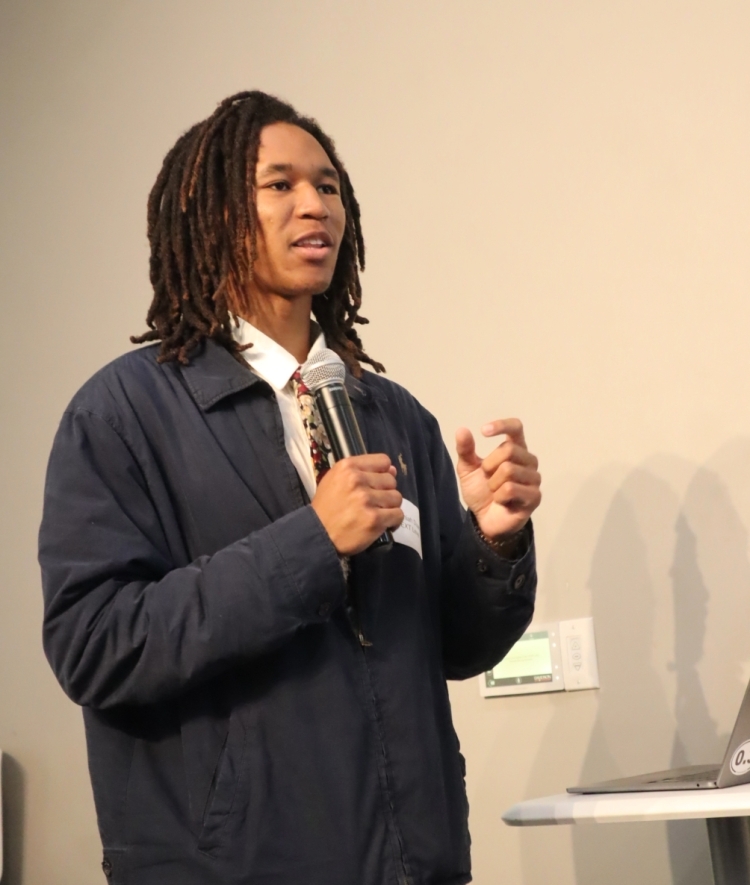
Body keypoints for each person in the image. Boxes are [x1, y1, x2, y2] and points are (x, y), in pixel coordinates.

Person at [39, 91, 542, 885]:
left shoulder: (394, 415)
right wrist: (312, 541)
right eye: (280, 184)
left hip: (412, 862)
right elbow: (96, 646)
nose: (316, 203)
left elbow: (457, 646)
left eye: (330, 185)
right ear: (209, 213)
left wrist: (493, 538)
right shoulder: (121, 413)